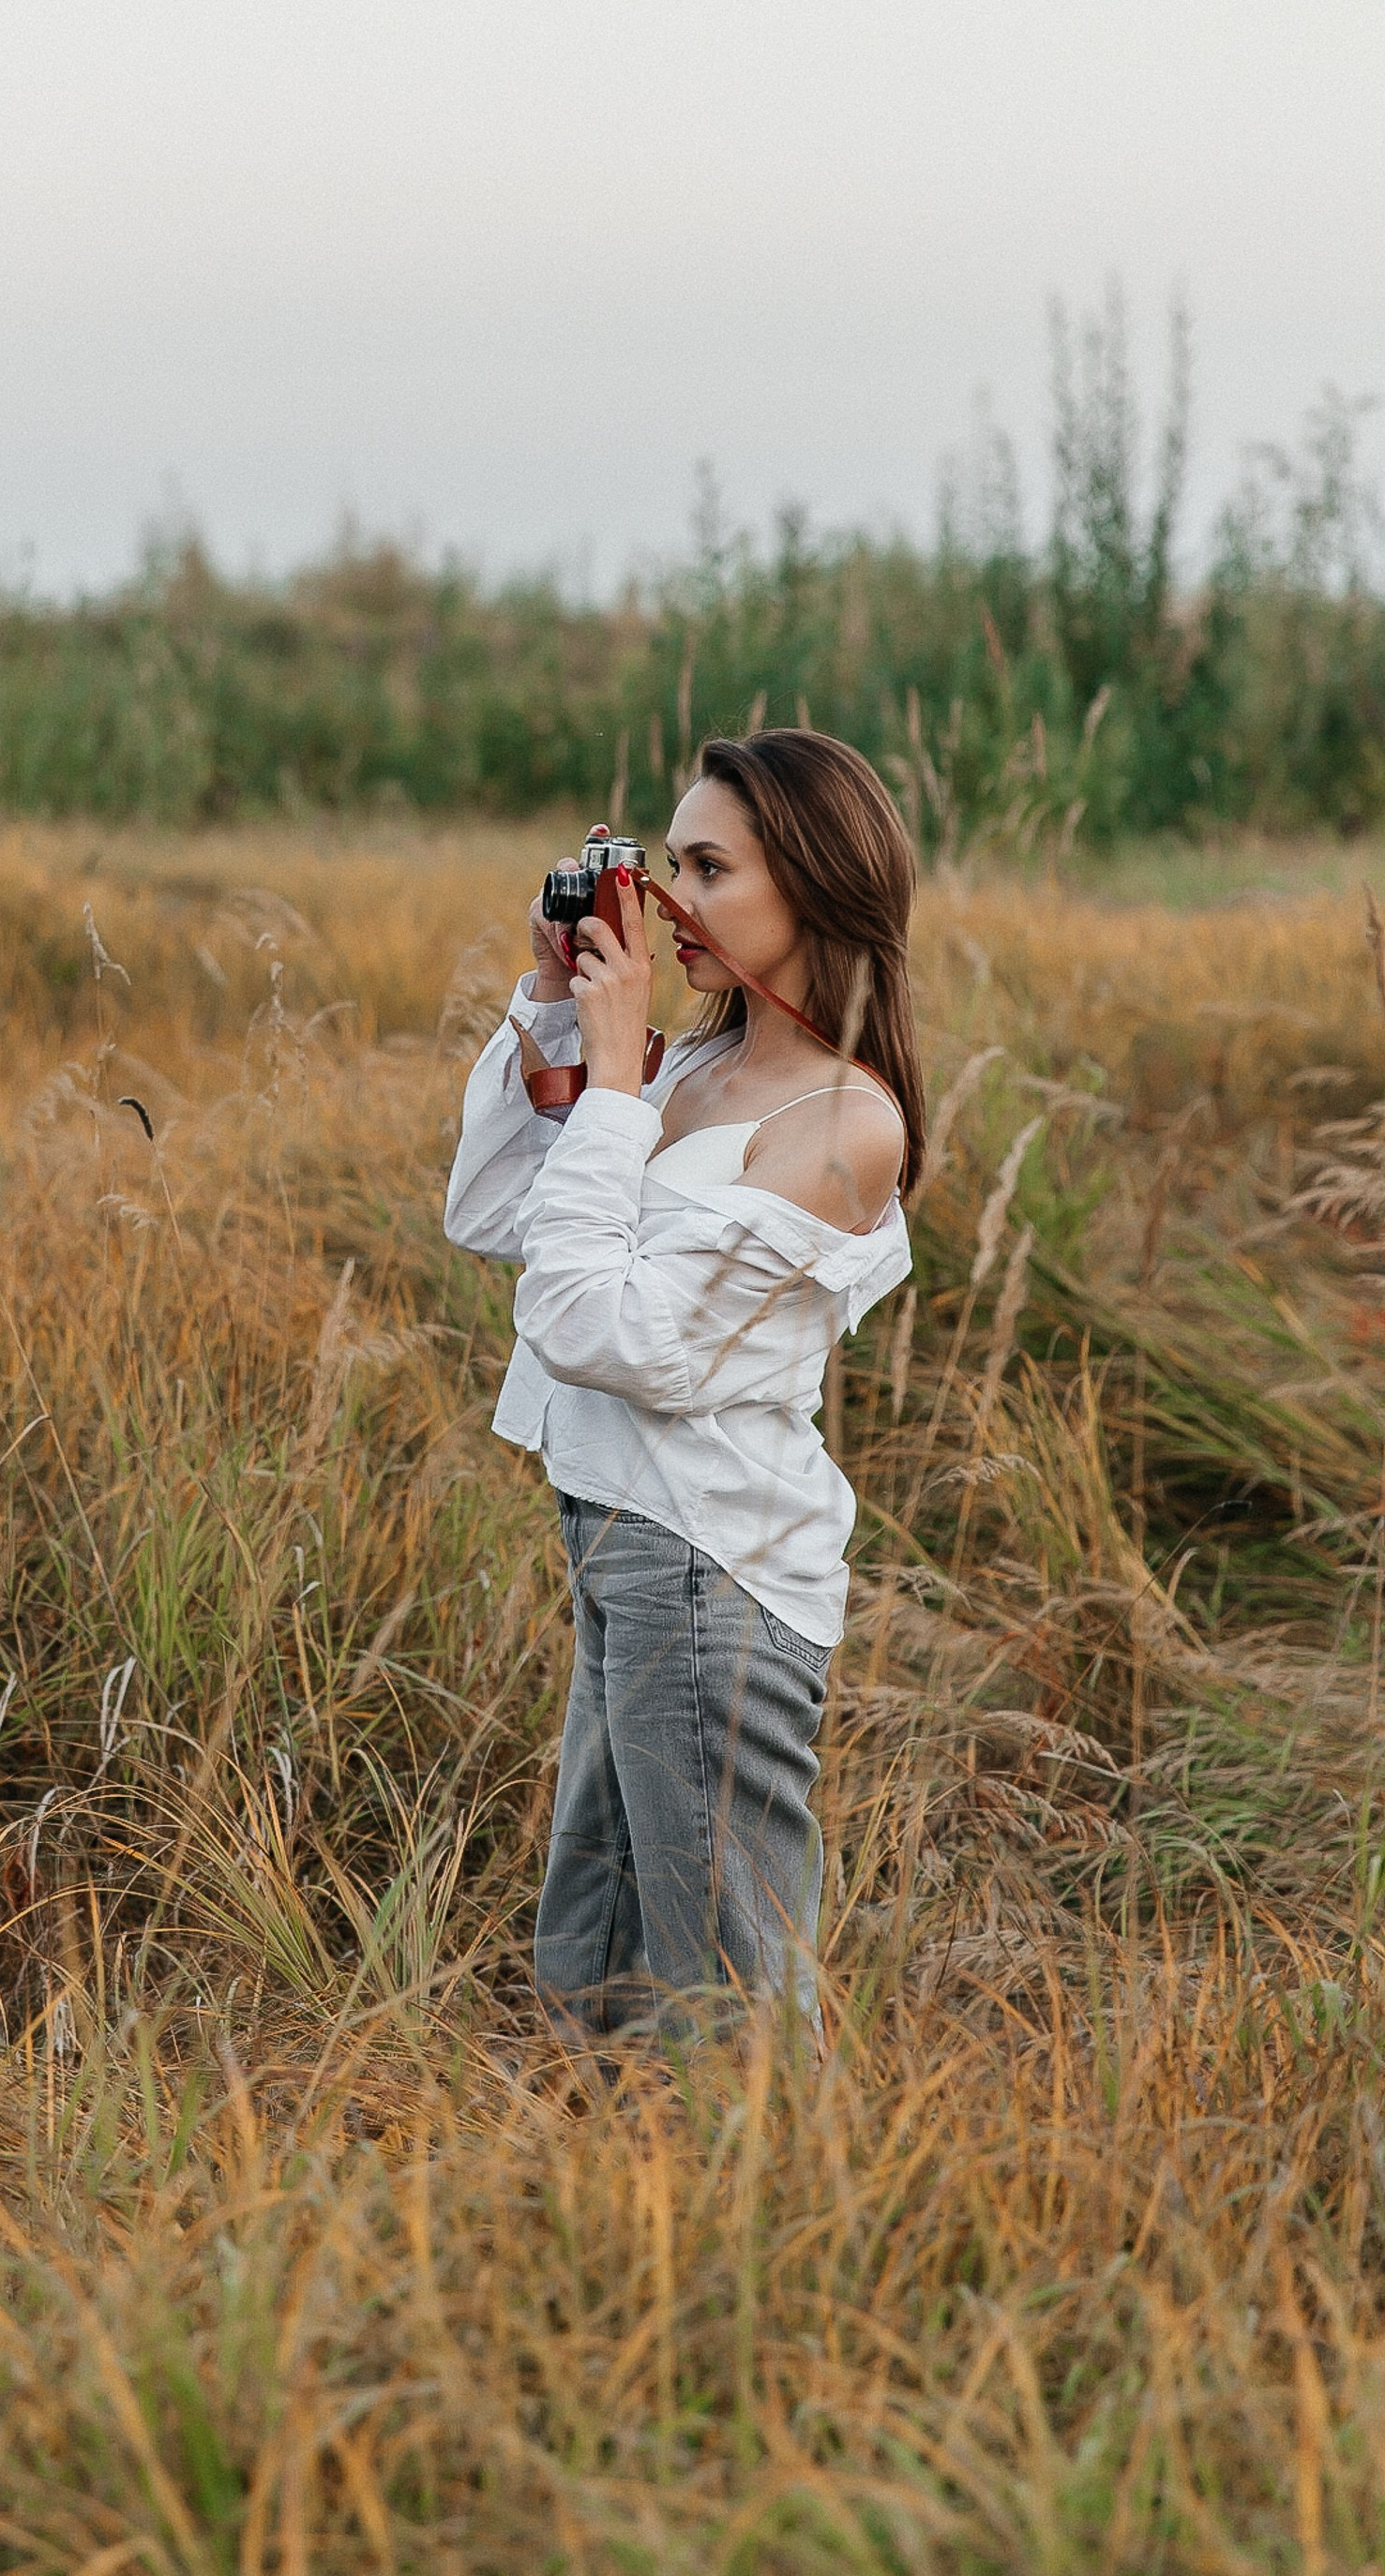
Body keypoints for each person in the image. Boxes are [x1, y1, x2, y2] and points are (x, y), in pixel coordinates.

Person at [444, 730, 924, 2044]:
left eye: (710, 868)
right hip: (619, 1532)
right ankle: (618, 2228)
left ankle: (784, 2227)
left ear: (815, 883)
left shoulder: (841, 1121)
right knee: (589, 1964)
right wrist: (555, 1016)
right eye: (666, 866)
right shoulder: (700, 1071)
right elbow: (493, 1213)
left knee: (725, 1994)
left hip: (713, 1564)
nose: (666, 902)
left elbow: (603, 1331)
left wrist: (610, 1086)